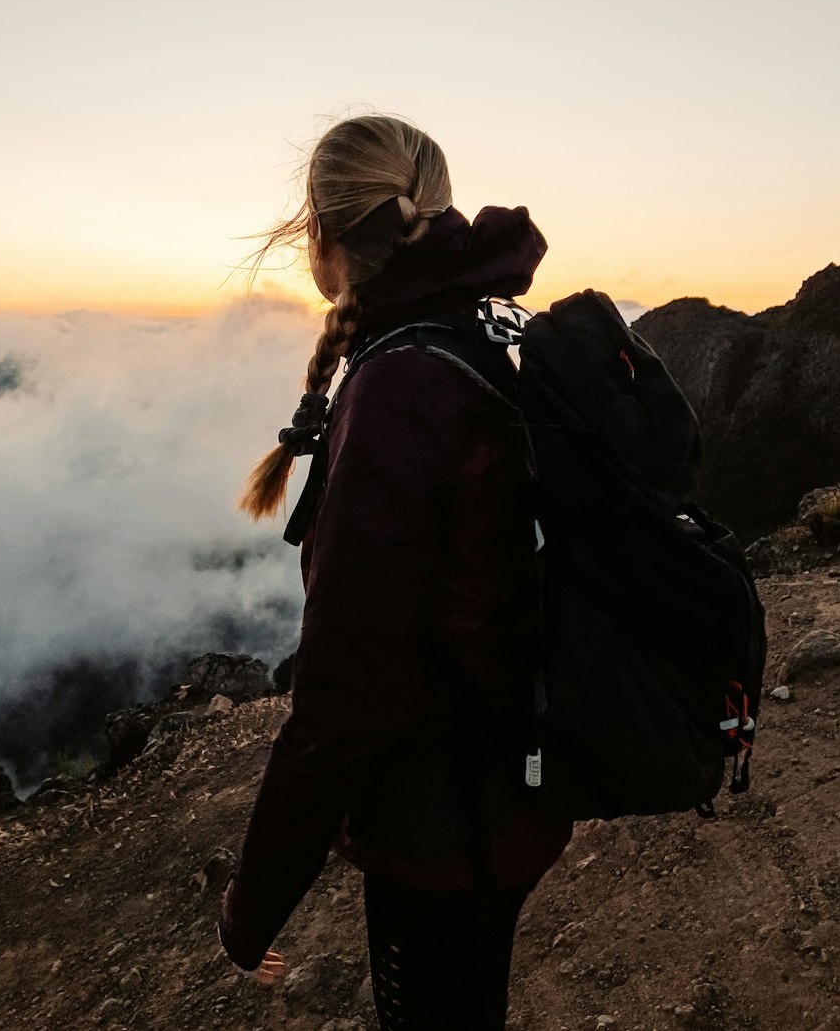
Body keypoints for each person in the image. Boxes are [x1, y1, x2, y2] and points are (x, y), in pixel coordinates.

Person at [218, 115, 573, 1030]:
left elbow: (344, 695)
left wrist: (249, 911)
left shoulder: (398, 386)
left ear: (321, 234)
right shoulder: (481, 329)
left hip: (445, 821)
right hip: (513, 787)